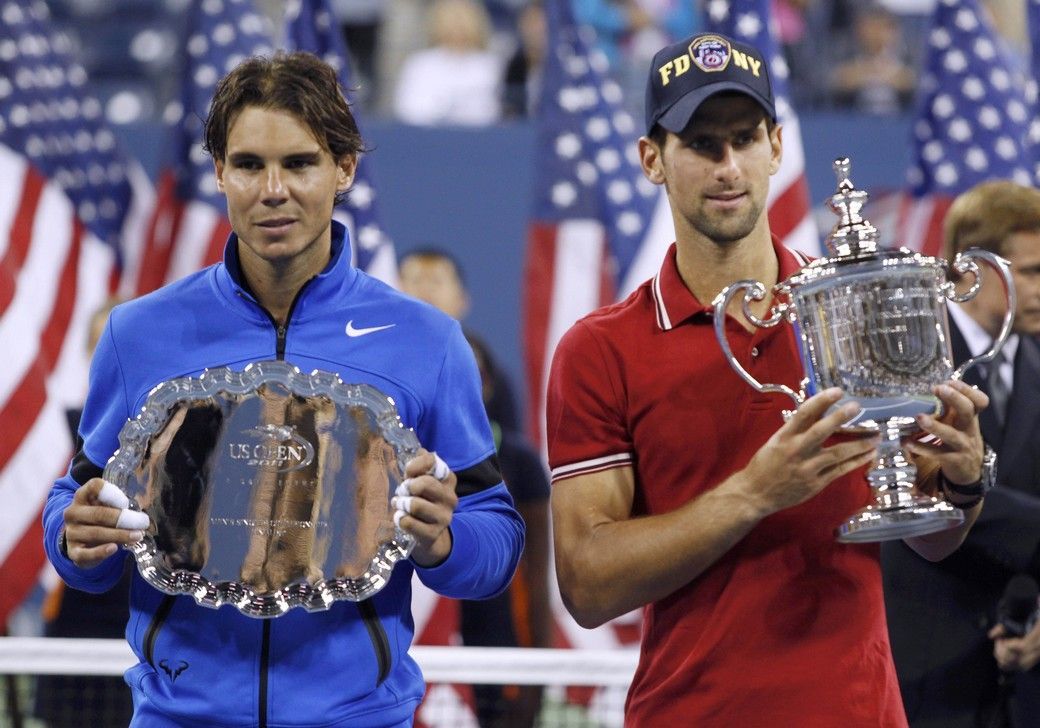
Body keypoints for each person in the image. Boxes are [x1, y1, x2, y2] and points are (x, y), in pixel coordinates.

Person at [42, 51, 523, 727]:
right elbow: (77, 511)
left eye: (299, 163)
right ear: (219, 172)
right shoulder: (138, 333)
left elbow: (495, 542)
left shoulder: (428, 341)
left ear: (344, 169)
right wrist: (74, 539)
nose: (273, 190)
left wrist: (444, 544)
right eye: (248, 165)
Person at [546, 31, 990, 726]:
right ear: (652, 160)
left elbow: (927, 534)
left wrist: (960, 484)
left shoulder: (857, 311)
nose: (728, 166)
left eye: (745, 139)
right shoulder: (600, 350)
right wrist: (754, 493)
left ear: (776, 148)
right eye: (701, 145)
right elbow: (586, 584)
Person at [882, 180, 1040, 728]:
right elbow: (925, 487)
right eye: (1031, 272)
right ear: (971, 271)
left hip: (1018, 684)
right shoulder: (903, 354)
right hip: (921, 672)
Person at [398, 249, 551, 727]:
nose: (425, 288)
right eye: (412, 279)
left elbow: (531, 568)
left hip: (489, 651)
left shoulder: (515, 458)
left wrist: (535, 673)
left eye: (438, 279)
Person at [34, 297, 134, 728]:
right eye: (98, 346)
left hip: (146, 624)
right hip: (77, 627)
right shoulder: (63, 432)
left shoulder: (176, 432)